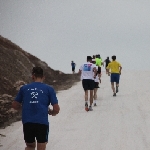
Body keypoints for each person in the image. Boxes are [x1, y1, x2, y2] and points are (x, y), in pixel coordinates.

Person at [12, 67, 60, 150]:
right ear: (43, 77)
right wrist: (52, 112)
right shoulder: (49, 89)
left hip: (27, 122)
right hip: (42, 122)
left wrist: (24, 108)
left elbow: (15, 105)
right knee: (41, 146)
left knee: (30, 146)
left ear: (32, 76)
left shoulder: (24, 88)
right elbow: (56, 108)